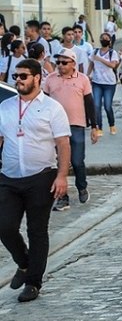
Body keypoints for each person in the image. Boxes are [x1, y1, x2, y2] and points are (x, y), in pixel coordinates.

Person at [0, 59, 71, 303]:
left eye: (23, 76)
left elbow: (63, 144)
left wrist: (62, 176)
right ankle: (24, 263)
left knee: (37, 230)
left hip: (41, 176)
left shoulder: (52, 108)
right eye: (16, 76)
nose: (17, 80)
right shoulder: (5, 107)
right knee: (5, 226)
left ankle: (33, 282)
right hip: (9, 178)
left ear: (37, 78)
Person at [43, 48, 99, 211]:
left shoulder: (82, 79)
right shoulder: (50, 79)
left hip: (76, 125)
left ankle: (82, 187)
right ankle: (62, 196)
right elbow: (44, 103)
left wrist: (94, 127)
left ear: (73, 63)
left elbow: (90, 103)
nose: (60, 65)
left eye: (64, 62)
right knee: (58, 163)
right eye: (58, 62)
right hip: (54, 127)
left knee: (76, 161)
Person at [88, 33, 120, 136]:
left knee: (107, 106)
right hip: (97, 82)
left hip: (109, 83)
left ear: (110, 41)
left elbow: (113, 65)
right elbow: (91, 64)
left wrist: (100, 59)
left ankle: (112, 124)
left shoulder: (112, 53)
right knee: (96, 105)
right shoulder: (95, 51)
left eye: (106, 38)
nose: (104, 40)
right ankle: (99, 127)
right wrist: (87, 75)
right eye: (102, 38)